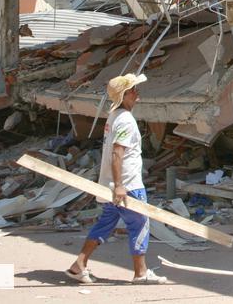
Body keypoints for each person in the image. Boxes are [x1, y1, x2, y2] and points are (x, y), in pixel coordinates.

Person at [66, 73, 168, 285]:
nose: (137, 93)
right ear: (124, 95)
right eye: (133, 90)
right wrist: (120, 186)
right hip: (127, 185)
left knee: (105, 224)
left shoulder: (114, 116)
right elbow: (117, 153)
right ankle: (141, 273)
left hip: (110, 184)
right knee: (140, 224)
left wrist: (114, 185)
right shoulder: (125, 121)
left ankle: (79, 265)